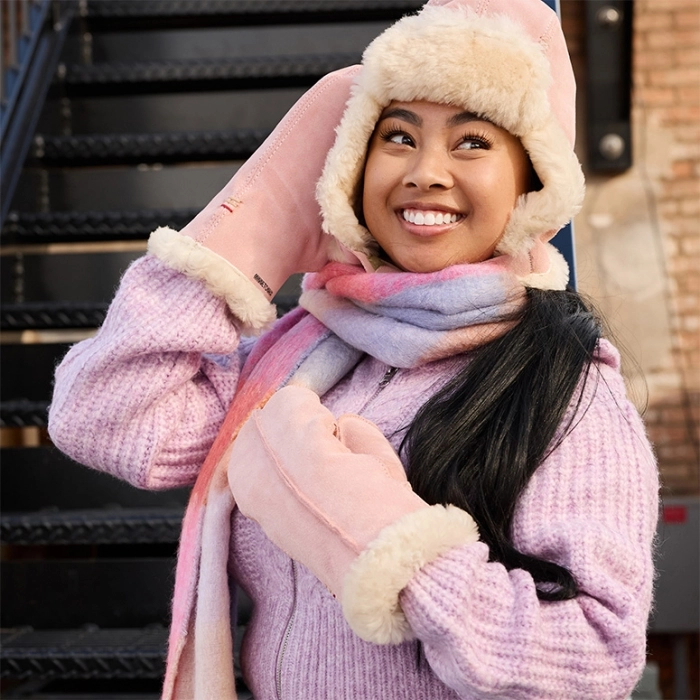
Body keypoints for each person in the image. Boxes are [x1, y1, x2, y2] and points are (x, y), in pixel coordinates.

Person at [48, 0, 659, 698]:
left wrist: (388, 545)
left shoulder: (566, 388)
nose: (426, 171)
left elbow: (593, 659)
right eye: (396, 137)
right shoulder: (298, 361)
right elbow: (104, 417)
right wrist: (246, 233)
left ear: (531, 182)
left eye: (472, 142)